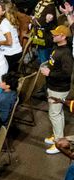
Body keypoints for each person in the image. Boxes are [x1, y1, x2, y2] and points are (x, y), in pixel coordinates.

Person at [43, 25, 74, 154]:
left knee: (54, 114)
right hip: (54, 86)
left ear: (63, 37)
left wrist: (49, 74)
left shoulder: (66, 53)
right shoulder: (57, 47)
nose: (53, 36)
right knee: (57, 113)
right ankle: (58, 136)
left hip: (59, 89)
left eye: (56, 35)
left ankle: (58, 143)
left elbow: (67, 73)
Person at [0, 2, 27, 75]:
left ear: (3, 11)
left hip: (11, 55)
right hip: (16, 52)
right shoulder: (8, 20)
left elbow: (9, 42)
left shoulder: (4, 23)